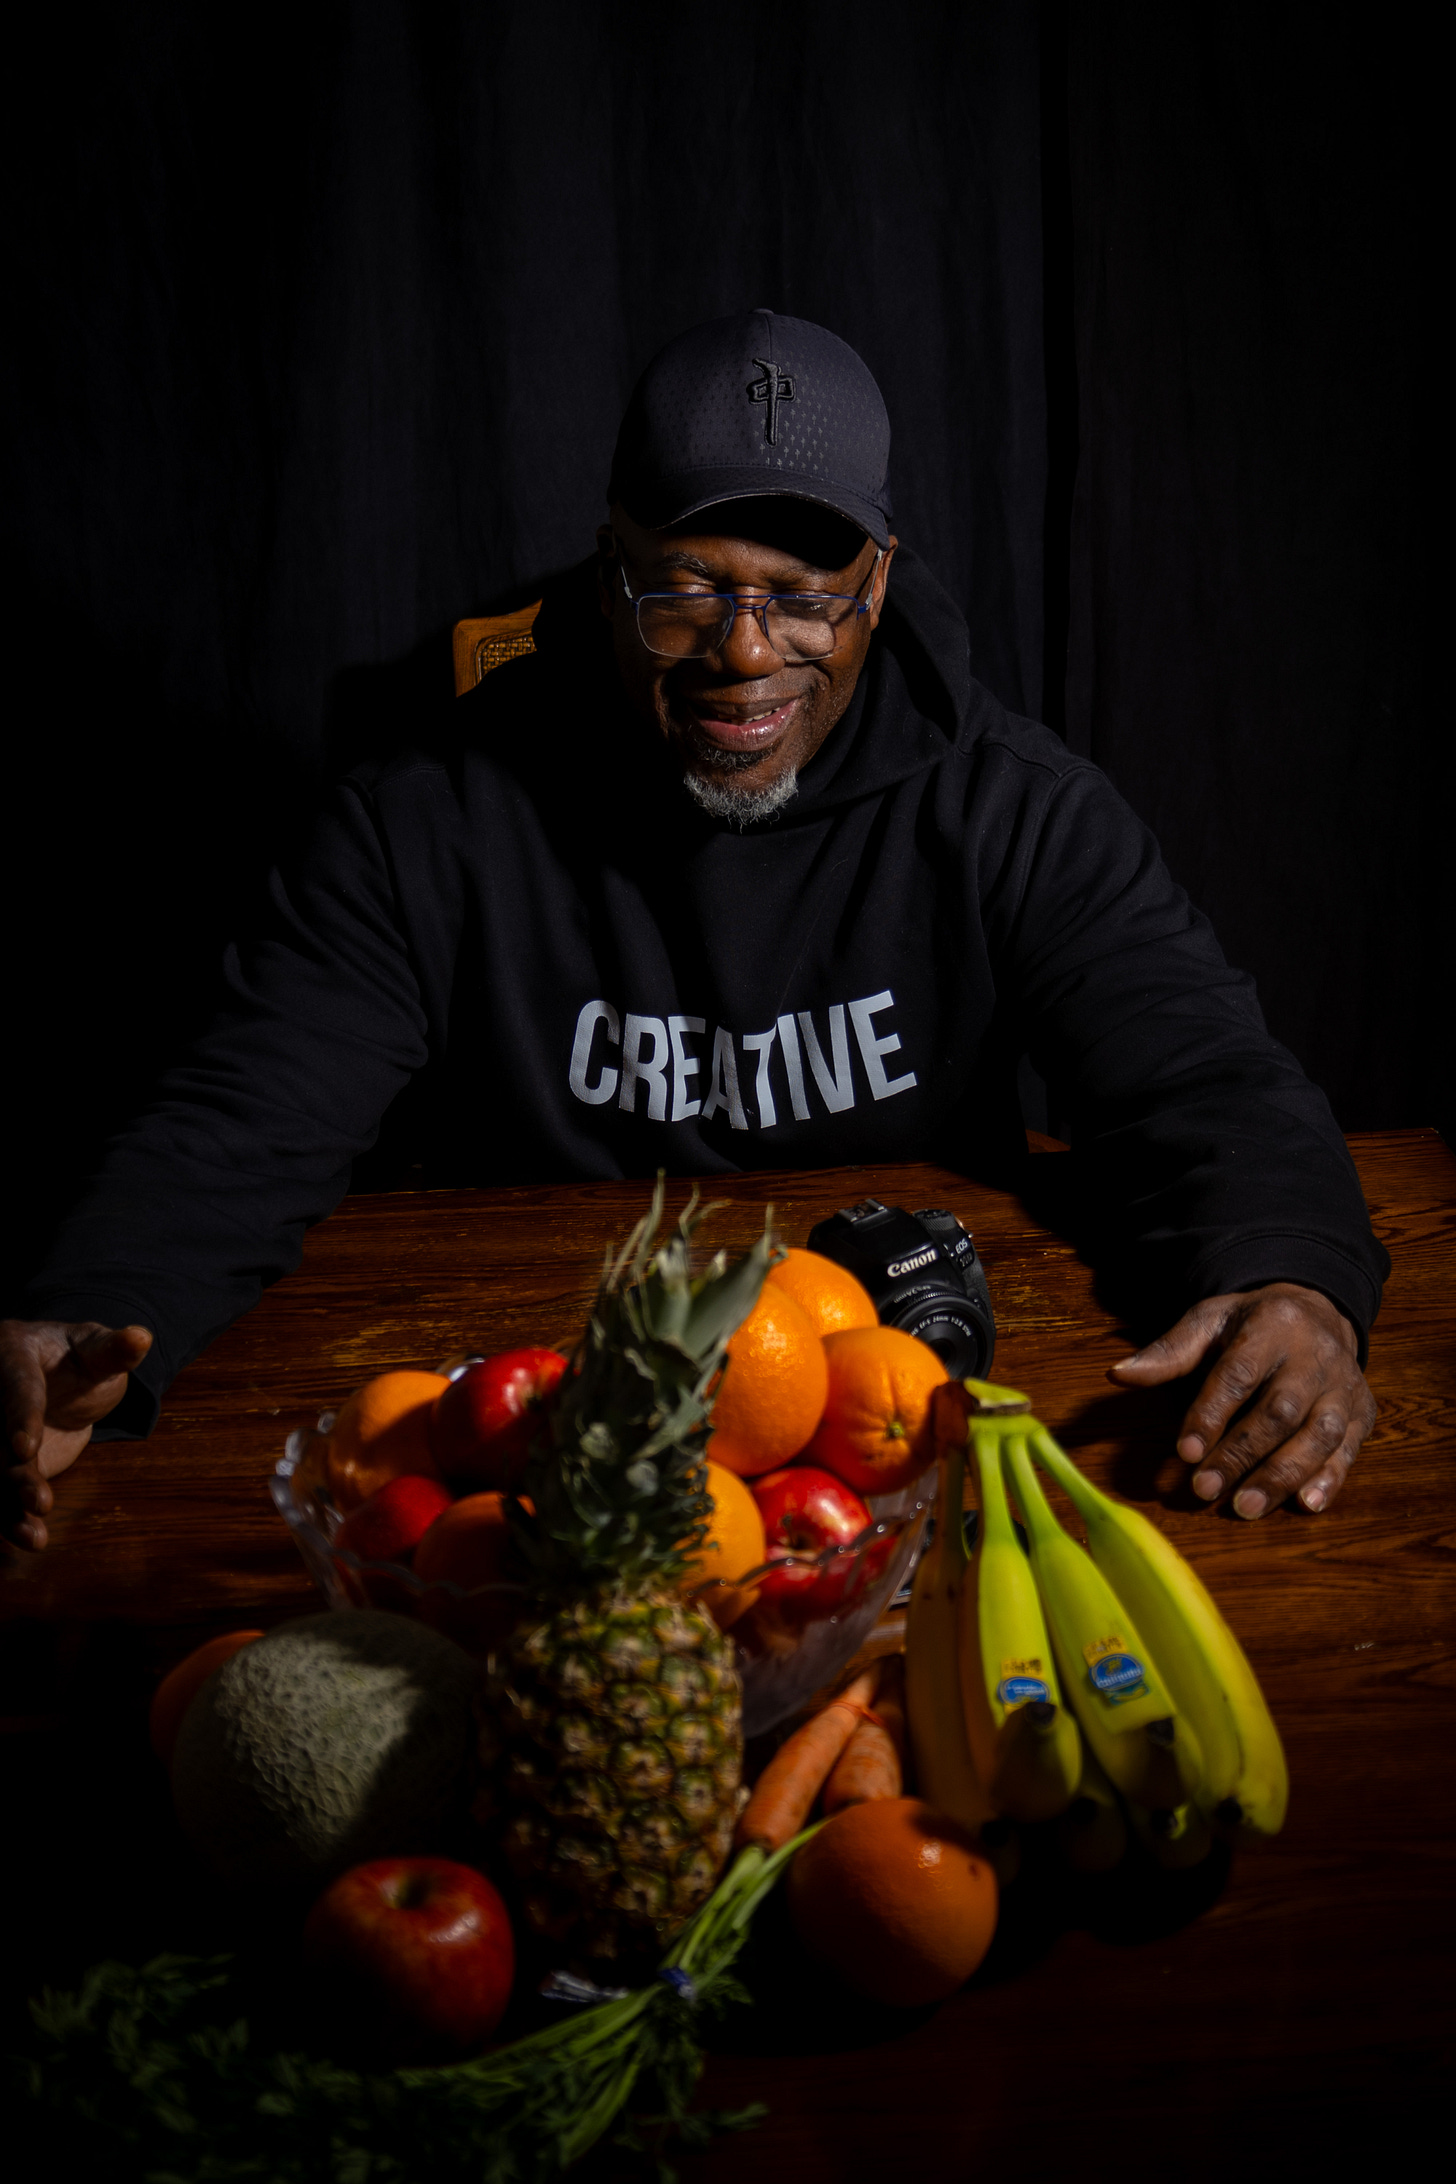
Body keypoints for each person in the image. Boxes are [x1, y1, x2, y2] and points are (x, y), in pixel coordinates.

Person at [1, 310, 1383, 1553]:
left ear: (878, 584)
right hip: (539, 1434)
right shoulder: (430, 819)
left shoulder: (1008, 808)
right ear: (611, 569)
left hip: (889, 1429)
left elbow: (1200, 1073)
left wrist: (1295, 1278)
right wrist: (87, 1314)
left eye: (804, 595)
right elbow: (248, 1110)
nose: (746, 650)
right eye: (688, 587)